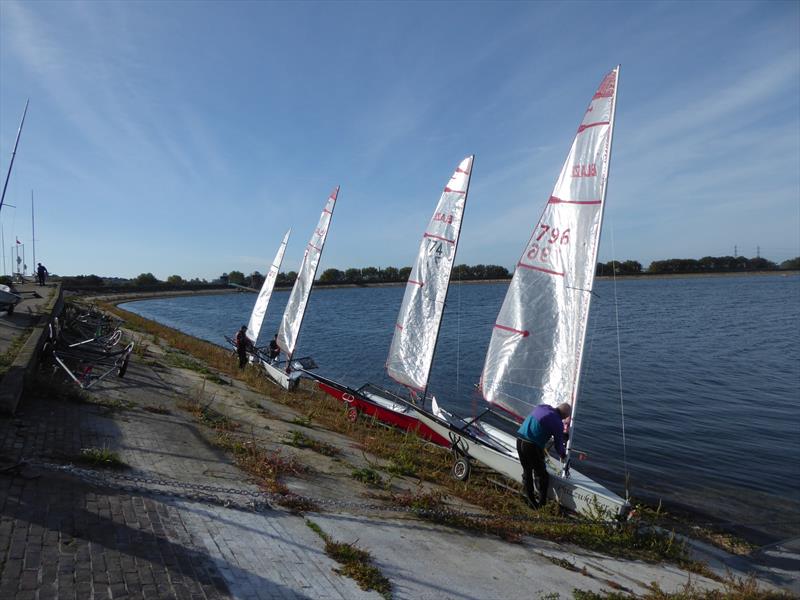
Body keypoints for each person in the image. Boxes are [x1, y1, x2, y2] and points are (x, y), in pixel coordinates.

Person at [516, 402, 572, 508]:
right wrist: (563, 455)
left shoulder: (542, 407)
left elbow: (543, 422)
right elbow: (558, 445)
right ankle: (542, 504)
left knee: (527, 471)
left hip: (519, 440)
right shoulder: (558, 423)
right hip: (530, 446)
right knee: (542, 475)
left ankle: (530, 500)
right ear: (565, 416)